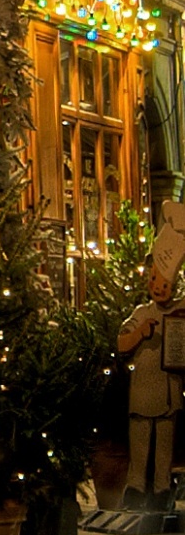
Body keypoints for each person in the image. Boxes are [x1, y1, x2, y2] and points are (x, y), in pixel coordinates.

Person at [116, 200, 185, 507]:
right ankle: (135, 489)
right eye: (155, 280)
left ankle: (160, 491)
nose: (160, 287)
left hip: (170, 394)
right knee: (141, 444)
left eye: (166, 282)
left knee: (164, 449)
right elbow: (121, 343)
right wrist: (140, 333)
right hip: (142, 394)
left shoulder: (182, 314)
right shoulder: (142, 312)